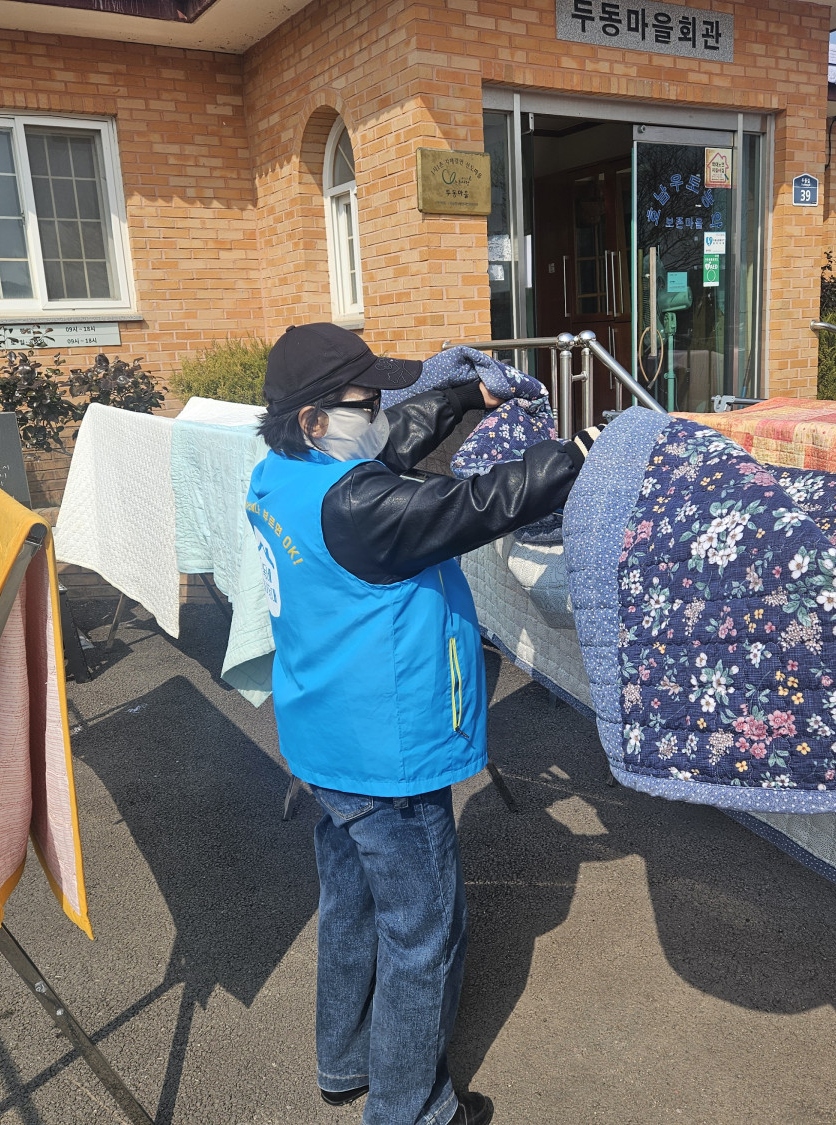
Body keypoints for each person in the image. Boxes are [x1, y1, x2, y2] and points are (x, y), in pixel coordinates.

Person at [247, 323, 601, 1125]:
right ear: (313, 418)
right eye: (365, 400)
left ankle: (344, 1059)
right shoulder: (359, 508)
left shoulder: (282, 473)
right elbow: (476, 504)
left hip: (325, 739)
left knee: (350, 902)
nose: (380, 409)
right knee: (423, 932)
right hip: (390, 755)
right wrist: (578, 452)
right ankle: (412, 1110)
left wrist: (464, 398)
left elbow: (388, 445)